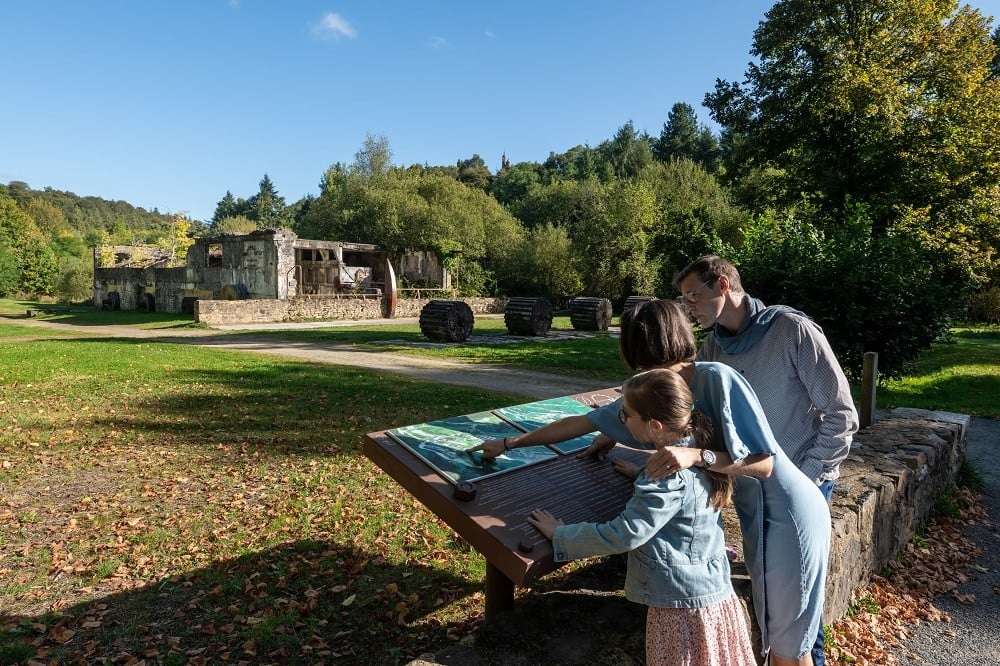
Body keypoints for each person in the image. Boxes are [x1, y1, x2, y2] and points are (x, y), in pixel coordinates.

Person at [475, 299, 830, 666]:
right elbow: (585, 422)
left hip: (788, 512)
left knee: (791, 644)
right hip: (754, 514)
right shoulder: (654, 392)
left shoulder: (713, 381)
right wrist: (510, 442)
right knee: (775, 634)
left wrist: (696, 457)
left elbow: (765, 463)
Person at [671, 255, 859, 666]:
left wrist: (806, 481)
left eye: (692, 295)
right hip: (752, 490)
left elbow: (842, 415)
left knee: (799, 610)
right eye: (683, 300)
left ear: (722, 285)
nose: (688, 307)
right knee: (771, 601)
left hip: (801, 489)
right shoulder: (714, 347)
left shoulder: (790, 329)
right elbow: (692, 406)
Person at [527, 369, 756, 666]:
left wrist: (560, 534)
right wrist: (639, 474)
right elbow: (686, 498)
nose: (621, 421)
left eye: (626, 415)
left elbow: (624, 534)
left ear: (655, 426)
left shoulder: (663, 478)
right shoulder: (697, 445)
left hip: (680, 608)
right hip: (711, 592)